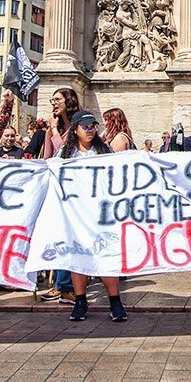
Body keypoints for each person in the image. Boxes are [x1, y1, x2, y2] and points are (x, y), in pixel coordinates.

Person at [61, 110, 128, 322]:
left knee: (106, 257)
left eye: (93, 126)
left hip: (101, 214)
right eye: (86, 126)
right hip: (76, 214)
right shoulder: (64, 154)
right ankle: (80, 301)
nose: (91, 130)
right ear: (75, 129)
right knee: (78, 258)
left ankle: (115, 301)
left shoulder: (104, 150)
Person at [38, 88, 82, 305]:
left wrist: (54, 129)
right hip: (56, 189)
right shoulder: (51, 130)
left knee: (69, 236)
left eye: (57, 100)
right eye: (52, 100)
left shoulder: (80, 127)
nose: (53, 103)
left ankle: (65, 286)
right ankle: (60, 285)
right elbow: (48, 158)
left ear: (69, 101)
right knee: (58, 235)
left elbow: (66, 153)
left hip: (74, 190)